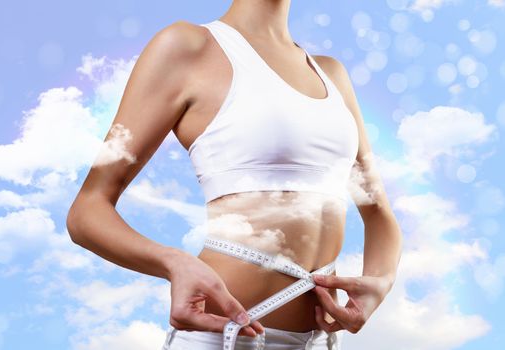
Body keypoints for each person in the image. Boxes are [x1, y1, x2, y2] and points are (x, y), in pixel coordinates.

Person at [66, 0, 403, 349]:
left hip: (317, 342)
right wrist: (173, 263)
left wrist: (381, 282)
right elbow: (87, 211)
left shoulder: (331, 74)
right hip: (221, 336)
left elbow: (378, 213)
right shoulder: (187, 47)